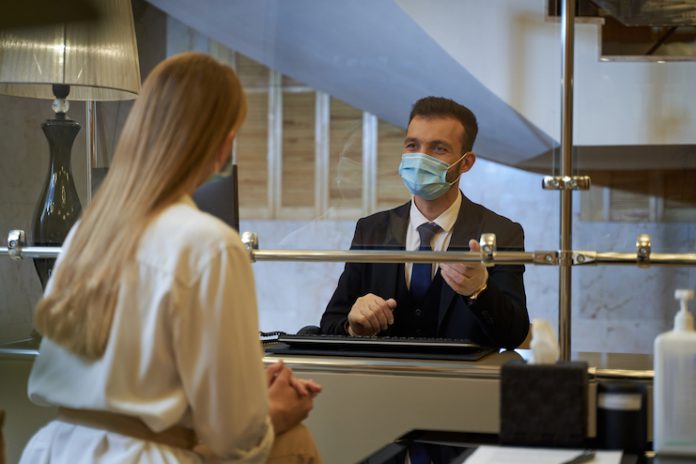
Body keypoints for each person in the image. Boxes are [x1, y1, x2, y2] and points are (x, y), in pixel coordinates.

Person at [20, 52, 322, 463]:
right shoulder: (210, 244)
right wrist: (273, 412)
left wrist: (247, 390)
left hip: (53, 448)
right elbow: (235, 437)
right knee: (296, 442)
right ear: (224, 141)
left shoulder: (84, 235)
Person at [320, 96, 529, 350]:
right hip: (382, 382)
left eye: (438, 148)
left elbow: (514, 335)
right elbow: (330, 323)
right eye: (412, 145)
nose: (420, 158)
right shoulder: (372, 229)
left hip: (466, 385)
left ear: (466, 162)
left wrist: (479, 291)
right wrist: (353, 327)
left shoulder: (502, 233)